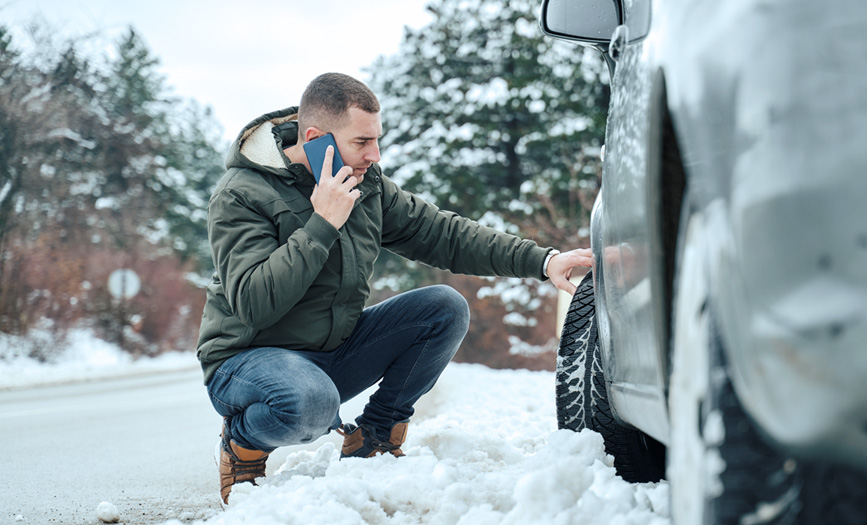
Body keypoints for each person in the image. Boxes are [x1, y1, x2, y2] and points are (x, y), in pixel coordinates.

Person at [196, 72, 591, 504]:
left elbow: (445, 235)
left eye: (376, 139)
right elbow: (254, 303)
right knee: (309, 403)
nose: (375, 154)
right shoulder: (242, 193)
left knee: (443, 307)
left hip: (329, 355)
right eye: (362, 142)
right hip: (249, 362)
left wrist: (544, 260)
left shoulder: (366, 184)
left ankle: (375, 435)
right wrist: (322, 223)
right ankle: (242, 443)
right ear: (316, 138)